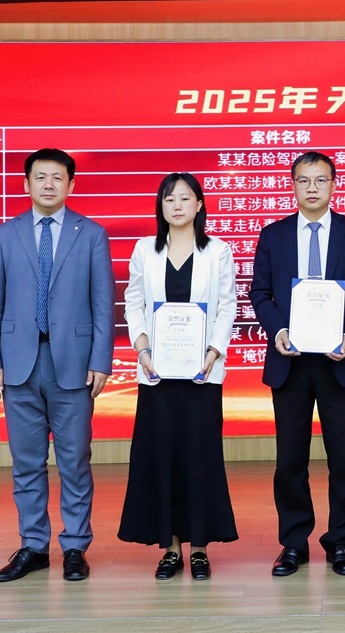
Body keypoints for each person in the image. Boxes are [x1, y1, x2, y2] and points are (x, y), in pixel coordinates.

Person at [0, 148, 115, 582]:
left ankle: (75, 546)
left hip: (73, 364)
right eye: (40, 177)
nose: (49, 184)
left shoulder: (91, 234)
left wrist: (101, 360)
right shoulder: (5, 234)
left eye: (57, 177)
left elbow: (103, 303)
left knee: (75, 461)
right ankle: (33, 546)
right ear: (26, 184)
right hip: (18, 363)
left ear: (71, 185)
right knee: (26, 463)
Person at [249, 151, 345, 577]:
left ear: (333, 184)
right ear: (293, 185)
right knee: (290, 459)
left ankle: (339, 540)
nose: (312, 187)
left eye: (320, 180)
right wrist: (277, 330)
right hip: (289, 362)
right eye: (304, 180)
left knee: (344, 458)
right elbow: (259, 293)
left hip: (338, 361)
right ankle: (293, 543)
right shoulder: (273, 235)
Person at [118, 173, 238, 580]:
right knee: (161, 457)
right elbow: (133, 302)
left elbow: (227, 306)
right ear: (161, 206)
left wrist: (213, 352)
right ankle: (170, 549)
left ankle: (200, 548)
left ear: (199, 204)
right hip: (157, 373)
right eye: (170, 199)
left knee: (200, 457)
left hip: (202, 372)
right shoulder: (145, 249)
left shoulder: (217, 251)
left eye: (186, 199)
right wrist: (142, 349)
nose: (178, 206)